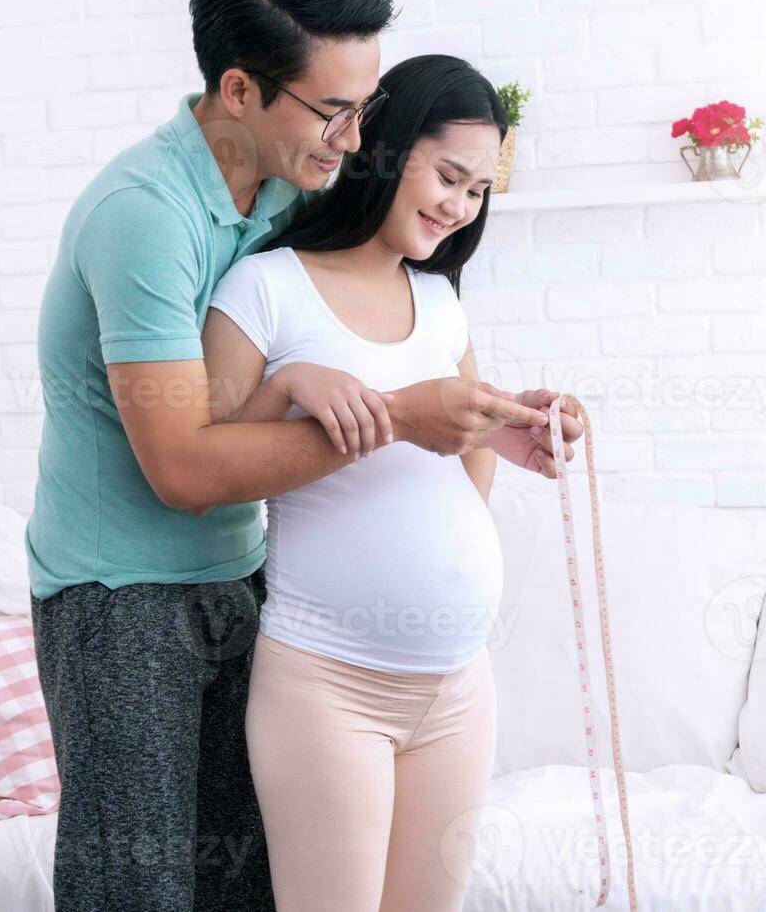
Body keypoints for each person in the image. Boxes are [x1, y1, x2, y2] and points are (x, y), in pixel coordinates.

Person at [25, 0, 581, 911]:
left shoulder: (294, 188)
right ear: (239, 90)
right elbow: (185, 469)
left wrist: (485, 424)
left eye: (364, 108)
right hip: (119, 591)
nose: (354, 137)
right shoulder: (144, 218)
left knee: (240, 888)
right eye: (335, 110)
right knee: (137, 889)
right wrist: (400, 417)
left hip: (243, 578)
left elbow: (356, 329)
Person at [202, 53, 545, 911]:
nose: (459, 205)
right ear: (384, 150)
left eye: (476, 190)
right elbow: (206, 473)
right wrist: (288, 389)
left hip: (460, 683)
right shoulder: (265, 288)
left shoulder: (440, 303)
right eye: (447, 175)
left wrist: (514, 429)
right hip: (330, 688)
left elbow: (459, 455)